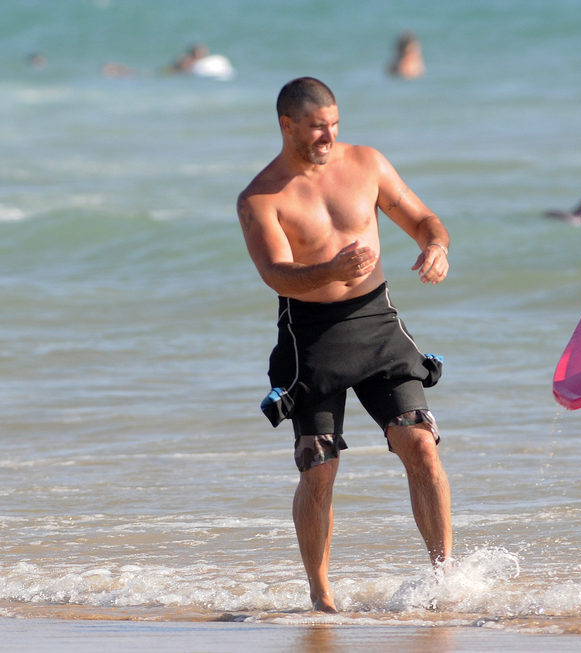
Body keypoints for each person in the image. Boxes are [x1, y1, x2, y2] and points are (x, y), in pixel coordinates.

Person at [237, 76, 452, 612]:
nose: (328, 137)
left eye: (334, 125)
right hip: (309, 336)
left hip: (377, 322)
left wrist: (436, 245)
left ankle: (445, 578)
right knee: (319, 464)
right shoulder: (261, 196)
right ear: (287, 126)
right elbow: (277, 274)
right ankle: (321, 593)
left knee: (420, 443)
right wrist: (328, 269)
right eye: (316, 128)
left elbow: (421, 217)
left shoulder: (367, 163)